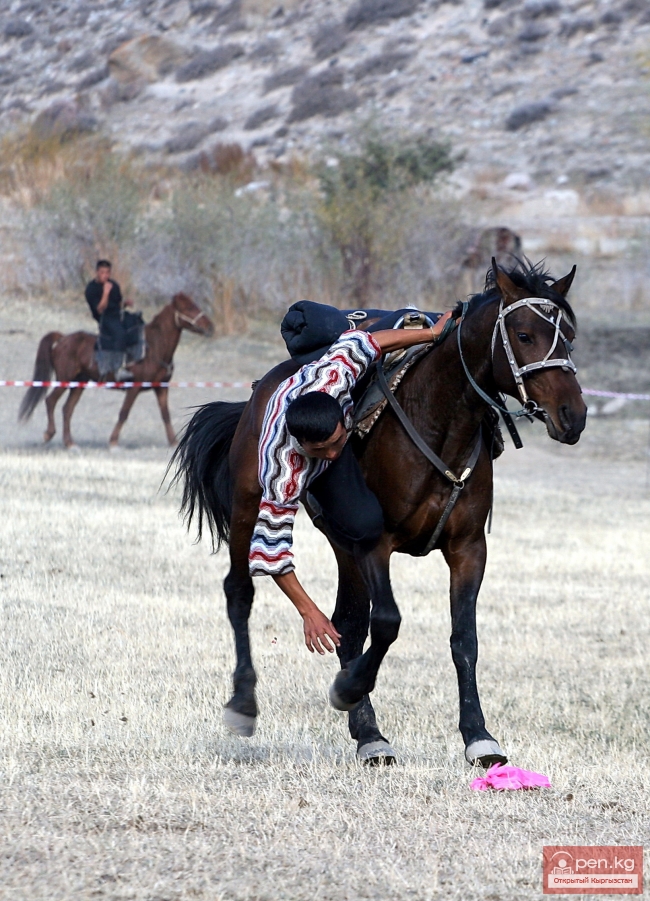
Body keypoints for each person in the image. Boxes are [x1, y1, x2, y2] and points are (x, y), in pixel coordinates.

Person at [250, 310, 453, 655]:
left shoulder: (335, 376)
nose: (330, 454)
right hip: (298, 449)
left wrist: (432, 334)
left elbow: (368, 342)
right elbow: (269, 552)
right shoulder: (283, 468)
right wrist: (308, 611)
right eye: (320, 449)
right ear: (302, 445)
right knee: (365, 525)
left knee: (378, 340)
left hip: (331, 391)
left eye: (335, 443)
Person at [84, 260, 132, 380]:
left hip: (117, 314)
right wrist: (105, 293)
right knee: (120, 333)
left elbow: (118, 303)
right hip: (104, 318)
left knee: (136, 325)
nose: (105, 275)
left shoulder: (114, 285)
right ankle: (117, 368)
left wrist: (125, 304)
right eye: (102, 273)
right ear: (97, 273)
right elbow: (100, 309)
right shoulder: (91, 289)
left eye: (107, 273)